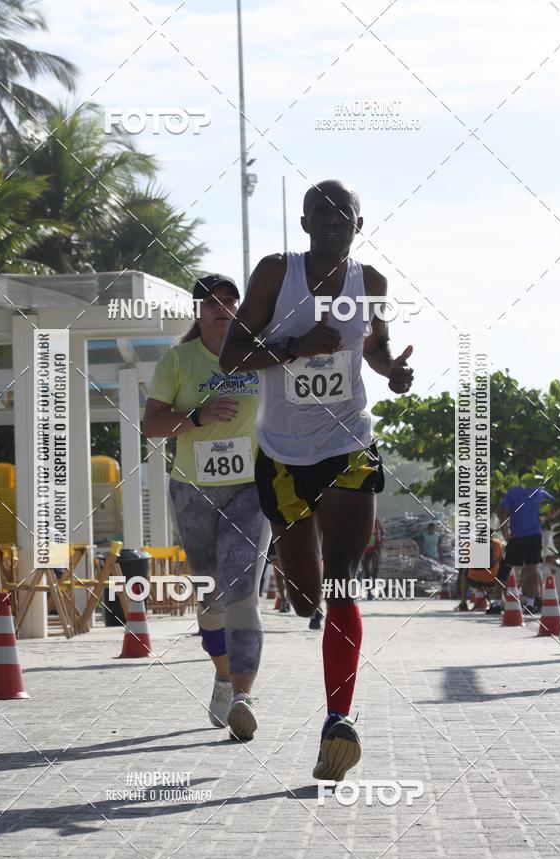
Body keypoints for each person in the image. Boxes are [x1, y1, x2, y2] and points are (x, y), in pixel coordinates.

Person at [220, 179, 414, 781]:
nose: (333, 221)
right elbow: (232, 356)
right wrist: (293, 348)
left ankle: (338, 722)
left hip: (348, 442)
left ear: (360, 222)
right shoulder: (277, 274)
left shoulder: (370, 284)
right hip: (282, 453)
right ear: (304, 225)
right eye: (321, 214)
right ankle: (295, 584)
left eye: (344, 214)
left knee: (343, 581)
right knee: (305, 596)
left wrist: (393, 373)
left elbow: (375, 349)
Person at [143, 274, 271, 741]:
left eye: (231, 302)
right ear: (198, 311)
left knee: (242, 593)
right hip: (192, 490)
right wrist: (196, 416)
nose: (223, 309)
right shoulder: (178, 360)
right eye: (213, 303)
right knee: (211, 597)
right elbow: (152, 425)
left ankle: (243, 696)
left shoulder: (260, 355)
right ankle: (222, 673)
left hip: (250, 491)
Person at [497, 468, 555, 614]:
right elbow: (556, 506)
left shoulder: (518, 492)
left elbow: (503, 513)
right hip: (528, 536)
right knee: (530, 570)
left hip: (523, 536)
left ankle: (504, 602)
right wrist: (547, 516)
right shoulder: (537, 492)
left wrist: (505, 531)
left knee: (509, 568)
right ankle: (526, 602)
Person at [361, 517, 383, 598]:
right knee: (366, 572)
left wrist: (379, 549)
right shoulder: (362, 524)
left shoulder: (376, 523)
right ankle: (369, 592)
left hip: (374, 549)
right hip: (364, 551)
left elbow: (380, 535)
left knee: (374, 569)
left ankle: (373, 582)